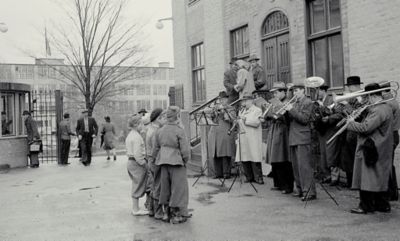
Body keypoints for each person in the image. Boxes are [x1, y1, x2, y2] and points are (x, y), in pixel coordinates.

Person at [348, 83, 393, 214]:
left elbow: (365, 128)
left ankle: (365, 206)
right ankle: (382, 204)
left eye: (367, 97)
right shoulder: (384, 107)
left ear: (372, 96)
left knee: (367, 177)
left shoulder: (378, 110)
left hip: (372, 147)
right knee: (378, 176)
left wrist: (351, 123)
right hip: (380, 146)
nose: (366, 100)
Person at [152, 106, 190, 224]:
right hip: (176, 161)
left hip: (163, 161)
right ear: (177, 117)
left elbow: (155, 149)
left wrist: (155, 161)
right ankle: (176, 215)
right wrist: (185, 160)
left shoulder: (160, 130)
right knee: (178, 189)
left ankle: (166, 214)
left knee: (165, 188)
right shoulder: (179, 130)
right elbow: (185, 150)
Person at [285, 84, 315, 201]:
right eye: (293, 91)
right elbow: (290, 120)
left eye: (296, 91)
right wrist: (285, 111)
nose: (294, 93)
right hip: (294, 137)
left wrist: (291, 109)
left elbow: (304, 119)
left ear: (303, 90)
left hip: (302, 137)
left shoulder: (308, 102)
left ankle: (309, 191)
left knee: (304, 167)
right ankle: (300, 189)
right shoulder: (295, 102)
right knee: (296, 166)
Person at [265, 82, 294, 193]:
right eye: (274, 93)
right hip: (274, 130)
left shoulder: (287, 102)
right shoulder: (275, 103)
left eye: (277, 92)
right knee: (275, 158)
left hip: (283, 131)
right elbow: (269, 117)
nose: (275, 95)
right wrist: (268, 112)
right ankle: (278, 183)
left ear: (283, 92)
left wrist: (277, 113)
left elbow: (287, 118)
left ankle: (287, 186)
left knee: (283, 158)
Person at [341, 76, 364, 187]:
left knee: (355, 158)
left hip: (356, 132)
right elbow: (349, 114)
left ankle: (356, 183)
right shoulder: (352, 97)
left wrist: (347, 105)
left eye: (349, 87)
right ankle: (351, 182)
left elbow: (358, 115)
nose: (349, 90)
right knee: (348, 158)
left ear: (354, 86)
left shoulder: (361, 98)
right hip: (350, 132)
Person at [235, 95, 263, 184]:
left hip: (253, 137)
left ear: (251, 101)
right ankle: (249, 176)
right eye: (243, 101)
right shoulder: (242, 111)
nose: (244, 103)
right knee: (245, 156)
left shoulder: (257, 110)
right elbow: (240, 123)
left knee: (255, 156)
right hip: (244, 136)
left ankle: (258, 177)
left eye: (246, 101)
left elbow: (256, 123)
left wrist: (245, 119)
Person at [207, 91, 236, 179]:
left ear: (227, 99)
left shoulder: (231, 108)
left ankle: (226, 173)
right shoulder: (216, 107)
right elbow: (211, 119)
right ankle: (217, 173)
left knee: (225, 153)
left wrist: (224, 112)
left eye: (223, 99)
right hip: (215, 133)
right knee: (216, 153)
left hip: (225, 132)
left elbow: (233, 120)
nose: (222, 101)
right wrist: (214, 113)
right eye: (220, 99)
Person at [126, 115, 149, 216]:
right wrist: (143, 163)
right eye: (141, 124)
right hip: (136, 163)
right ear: (136, 125)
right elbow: (137, 154)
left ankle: (136, 207)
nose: (142, 126)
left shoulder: (131, 134)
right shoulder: (136, 137)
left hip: (131, 162)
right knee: (138, 184)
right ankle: (135, 209)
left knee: (136, 183)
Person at [145, 108, 166, 219]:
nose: (164, 119)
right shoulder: (155, 132)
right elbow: (155, 150)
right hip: (155, 160)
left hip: (151, 159)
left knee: (154, 185)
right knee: (157, 186)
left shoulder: (151, 129)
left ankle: (151, 210)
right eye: (162, 117)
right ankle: (158, 212)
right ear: (158, 119)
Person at [381, 82, 400, 201]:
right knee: (389, 164)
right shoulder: (393, 101)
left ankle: (391, 193)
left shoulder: (388, 104)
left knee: (387, 164)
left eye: (380, 92)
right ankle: (392, 192)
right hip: (394, 134)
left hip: (390, 135)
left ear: (384, 92)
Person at [312, 85, 334, 183]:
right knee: (322, 152)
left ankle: (331, 176)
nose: (317, 93)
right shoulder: (317, 100)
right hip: (320, 129)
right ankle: (325, 174)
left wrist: (322, 106)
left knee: (329, 152)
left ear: (323, 91)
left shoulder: (330, 99)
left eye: (318, 91)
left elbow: (332, 112)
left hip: (329, 128)